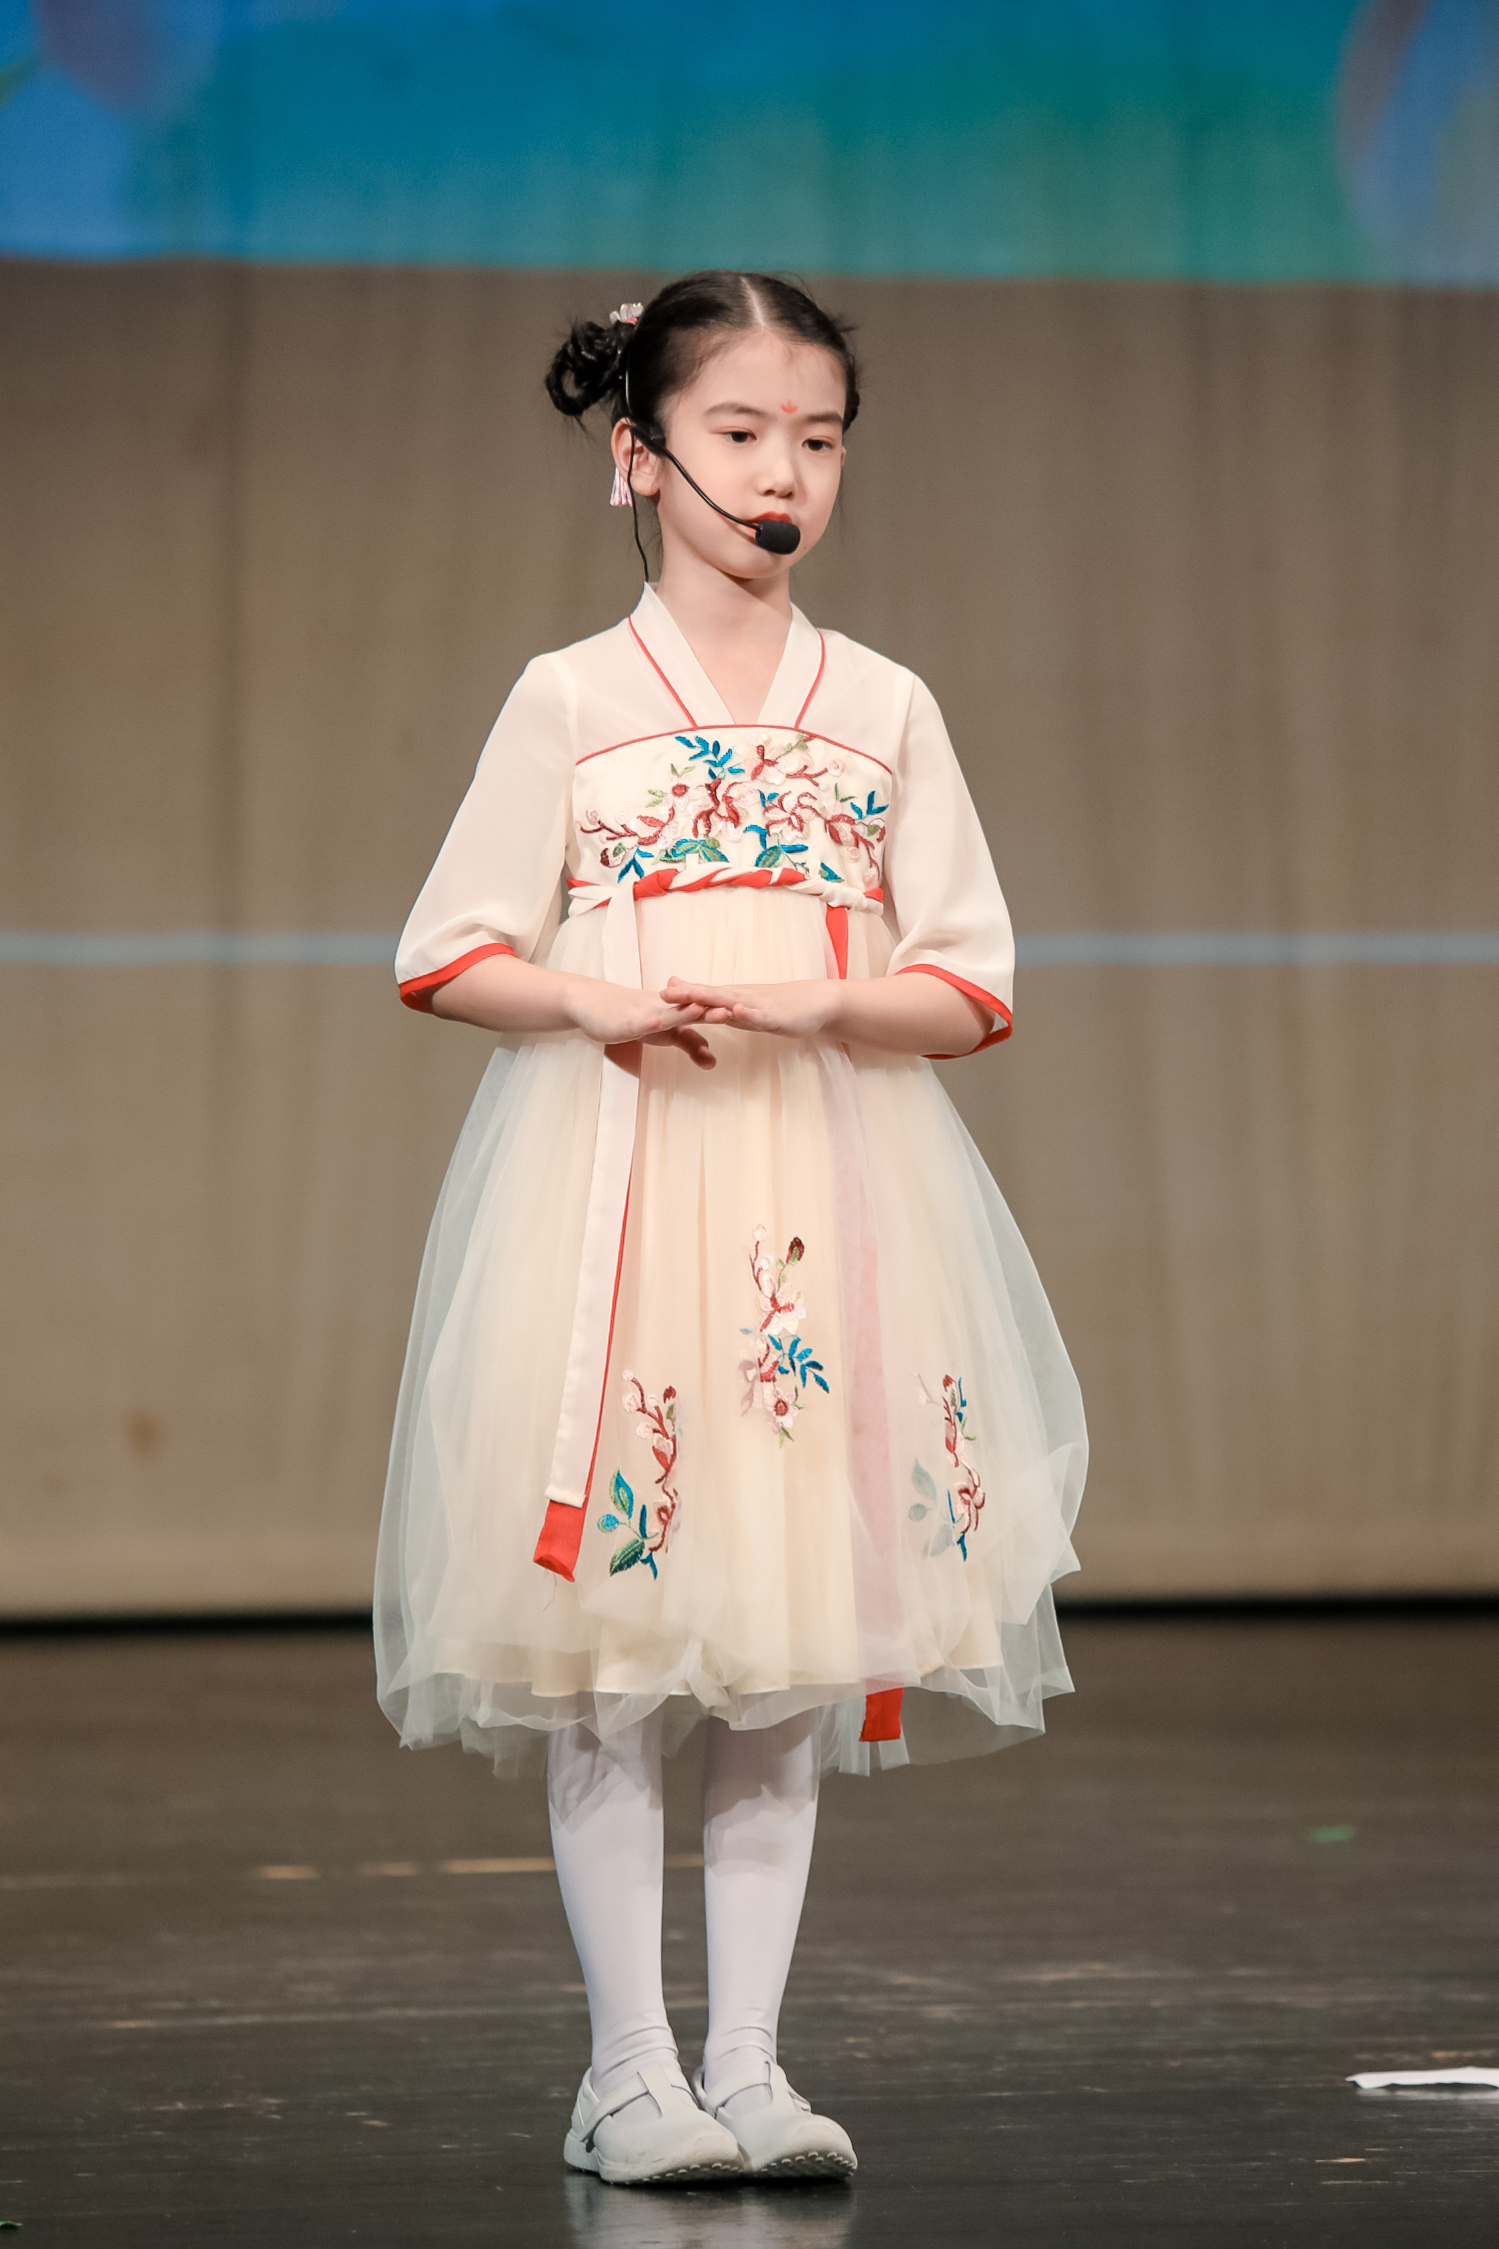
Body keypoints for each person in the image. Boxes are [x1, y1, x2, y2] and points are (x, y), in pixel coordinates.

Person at [374, 270, 1087, 2187]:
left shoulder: (883, 706)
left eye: (820, 438)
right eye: (743, 433)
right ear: (639, 456)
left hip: (822, 1194)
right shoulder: (574, 698)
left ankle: (751, 2063)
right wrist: (592, 996)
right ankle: (627, 2071)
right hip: (620, 1193)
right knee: (617, 1639)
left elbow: (973, 976)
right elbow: (444, 947)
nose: (785, 475)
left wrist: (831, 998)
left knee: (787, 1639)